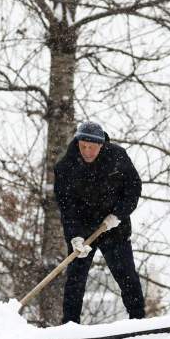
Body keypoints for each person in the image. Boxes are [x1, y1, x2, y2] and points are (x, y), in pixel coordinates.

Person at [54, 121, 146, 324]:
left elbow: (133, 188)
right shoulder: (65, 167)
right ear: (78, 143)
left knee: (126, 275)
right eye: (83, 146)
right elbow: (67, 207)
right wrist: (75, 236)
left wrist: (118, 215)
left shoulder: (118, 157)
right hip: (83, 229)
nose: (87, 151)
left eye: (92, 147)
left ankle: (139, 322)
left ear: (101, 144)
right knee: (75, 280)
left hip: (114, 226)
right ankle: (69, 327)